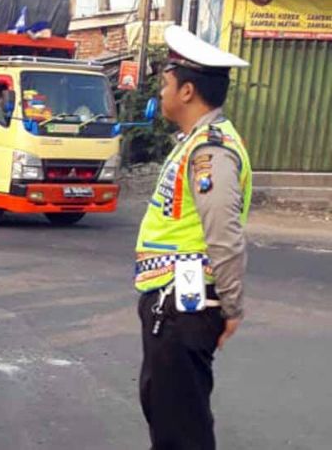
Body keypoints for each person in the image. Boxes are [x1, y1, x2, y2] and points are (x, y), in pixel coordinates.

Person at [134, 26, 252, 450]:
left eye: (166, 82)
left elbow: (223, 232)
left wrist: (233, 306)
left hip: (185, 307)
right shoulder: (195, 143)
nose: (161, 91)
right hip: (175, 303)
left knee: (181, 432)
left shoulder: (211, 152)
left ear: (187, 91)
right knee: (170, 418)